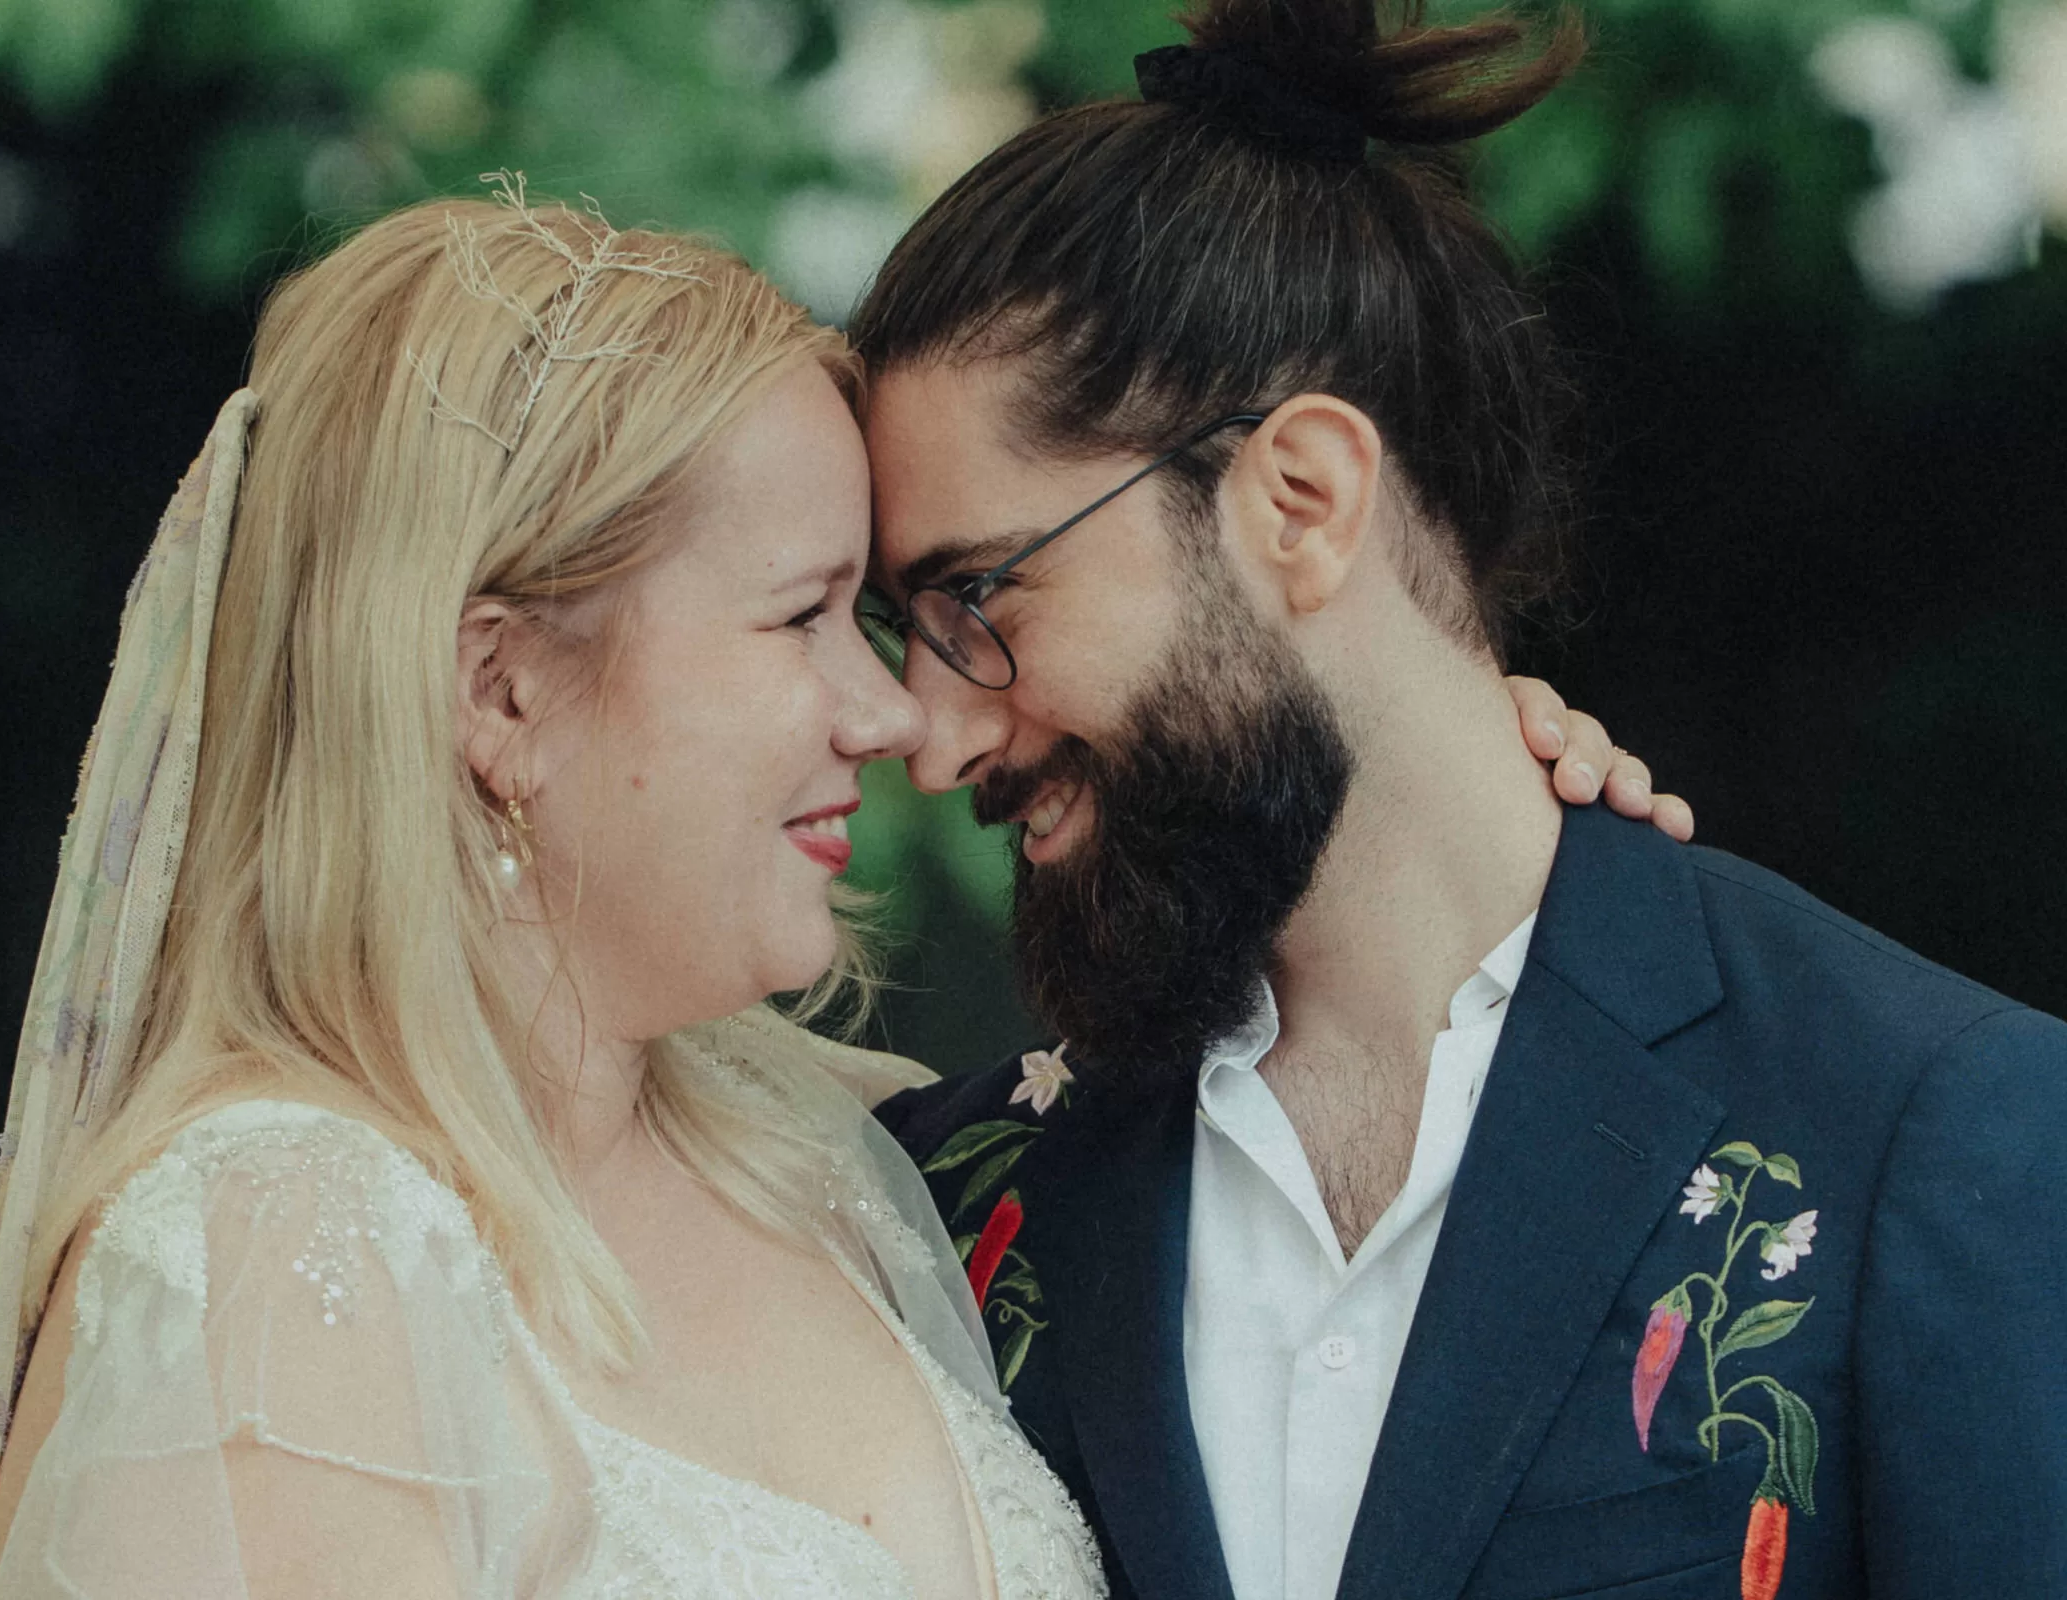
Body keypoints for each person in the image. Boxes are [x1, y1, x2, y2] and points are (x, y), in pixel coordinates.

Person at [0, 185, 1662, 1596]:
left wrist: (1455, 779)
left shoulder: (846, 1167)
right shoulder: (279, 1257)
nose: (893, 714)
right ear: (501, 693)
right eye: (802, 618)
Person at [856, 3, 2067, 1599]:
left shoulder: (1929, 1127)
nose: (934, 740)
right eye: (904, 636)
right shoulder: (944, 1198)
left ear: (1300, 501)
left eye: (980, 601)